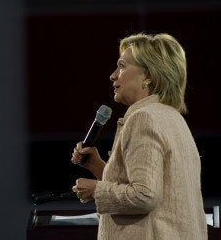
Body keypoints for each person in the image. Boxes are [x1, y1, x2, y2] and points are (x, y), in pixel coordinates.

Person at [70, 33, 207, 239]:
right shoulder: (172, 117)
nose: (113, 75)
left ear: (148, 75)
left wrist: (97, 190)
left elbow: (145, 196)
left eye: (122, 66)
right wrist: (97, 167)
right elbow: (157, 190)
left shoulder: (143, 118)